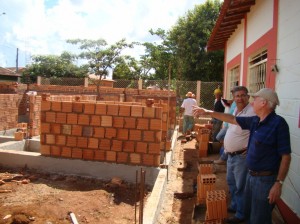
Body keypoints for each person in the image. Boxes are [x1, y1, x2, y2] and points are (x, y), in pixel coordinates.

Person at [193, 88, 291, 224]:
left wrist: (278, 183)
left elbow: (286, 156)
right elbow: (232, 119)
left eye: (255, 99)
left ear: (263, 103)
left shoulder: (278, 124)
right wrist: (208, 112)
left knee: (259, 217)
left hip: (265, 180)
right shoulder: (256, 120)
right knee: (250, 212)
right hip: (251, 176)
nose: (252, 103)